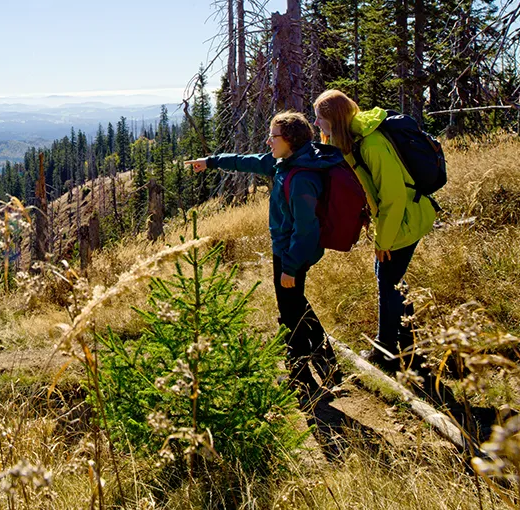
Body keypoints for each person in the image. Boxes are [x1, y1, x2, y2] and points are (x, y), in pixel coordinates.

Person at [185, 111, 344, 401]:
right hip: (287, 252)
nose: (268, 141)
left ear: (291, 140)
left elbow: (305, 230)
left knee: (290, 312)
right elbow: (249, 161)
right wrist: (211, 162)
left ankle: (300, 379)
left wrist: (290, 267)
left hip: (291, 254)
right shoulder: (286, 162)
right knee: (296, 303)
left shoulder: (301, 178)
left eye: (273, 136)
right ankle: (327, 362)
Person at [313, 90, 436, 371]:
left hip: (406, 219)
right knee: (392, 278)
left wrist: (384, 240)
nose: (317, 123)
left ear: (335, 119)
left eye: (320, 118)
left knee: (387, 280)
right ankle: (409, 344)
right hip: (397, 220)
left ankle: (385, 351)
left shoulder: (371, 144)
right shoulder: (355, 140)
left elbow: (393, 197)